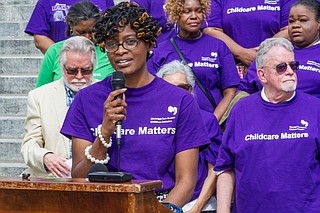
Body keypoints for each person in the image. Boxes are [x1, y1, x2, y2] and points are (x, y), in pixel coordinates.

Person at [60, 2, 210, 209]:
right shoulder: (86, 99)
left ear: (148, 44)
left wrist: (158, 210)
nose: (120, 51)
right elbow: (79, 176)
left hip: (158, 205)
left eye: (130, 42)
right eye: (112, 44)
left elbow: (186, 181)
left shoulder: (180, 100)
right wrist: (104, 133)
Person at [214, 38, 320, 213]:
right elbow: (225, 168)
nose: (289, 72)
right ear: (262, 75)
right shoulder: (241, 110)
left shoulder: (315, 108)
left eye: (293, 66)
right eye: (281, 67)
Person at [148, 0, 240, 122]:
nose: (194, 16)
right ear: (175, 14)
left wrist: (212, 121)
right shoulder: (161, 51)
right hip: (174, 124)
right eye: (186, 11)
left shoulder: (219, 46)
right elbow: (152, 93)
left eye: (199, 11)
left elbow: (230, 91)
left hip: (213, 125)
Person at [21, 36, 98, 178]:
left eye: (86, 70)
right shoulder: (39, 96)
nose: (79, 76)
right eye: (72, 70)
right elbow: (29, 144)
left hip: (97, 179)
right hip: (53, 179)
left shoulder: (107, 93)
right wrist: (45, 157)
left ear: (94, 67)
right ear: (62, 67)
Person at [157, 60, 222, 213]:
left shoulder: (207, 120)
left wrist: (197, 208)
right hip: (158, 203)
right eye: (169, 88)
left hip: (196, 204)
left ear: (191, 90)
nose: (177, 94)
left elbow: (214, 170)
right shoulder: (151, 122)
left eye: (183, 88)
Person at [238, 0, 320, 98]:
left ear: (318, 23)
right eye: (291, 21)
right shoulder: (271, 52)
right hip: (266, 110)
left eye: (303, 20)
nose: (295, 25)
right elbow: (244, 90)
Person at [203, 0, 296, 77]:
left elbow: (289, 29)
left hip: (275, 67)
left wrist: (262, 54)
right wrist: (242, 54)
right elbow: (211, 30)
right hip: (231, 68)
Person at [35, 1, 114, 88]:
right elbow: (40, 91)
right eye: (81, 32)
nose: (87, 37)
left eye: (92, 32)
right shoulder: (54, 51)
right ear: (71, 26)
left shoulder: (108, 50)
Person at [25, 0, 114, 54]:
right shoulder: (47, 1)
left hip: (100, 57)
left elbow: (112, 29)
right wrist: (65, 57)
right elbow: (39, 37)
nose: (87, 37)